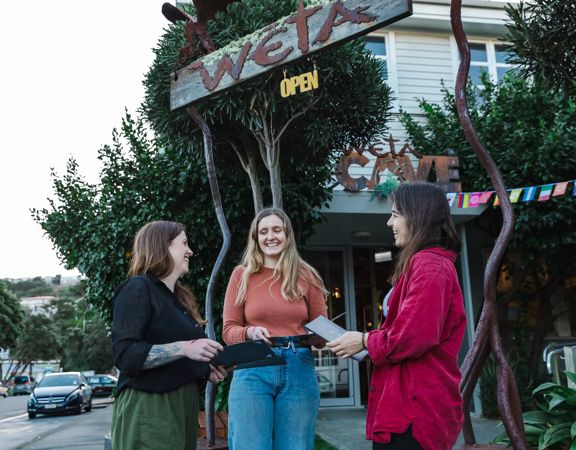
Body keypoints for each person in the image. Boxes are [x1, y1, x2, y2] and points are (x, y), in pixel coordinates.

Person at [327, 182, 466, 450]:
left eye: (395, 214)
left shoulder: (429, 265)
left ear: (417, 215)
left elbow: (412, 337)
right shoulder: (424, 263)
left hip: (415, 409)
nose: (390, 222)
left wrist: (365, 340)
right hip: (405, 405)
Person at [111, 221, 227, 450]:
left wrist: (207, 366)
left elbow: (177, 357)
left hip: (182, 405)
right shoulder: (138, 288)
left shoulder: (177, 300)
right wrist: (185, 348)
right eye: (184, 243)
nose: (190, 251)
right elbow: (125, 355)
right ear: (163, 246)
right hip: (151, 405)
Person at [223, 208, 327, 450]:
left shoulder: (307, 275)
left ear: (287, 234)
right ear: (256, 238)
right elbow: (229, 331)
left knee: (295, 446)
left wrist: (320, 337)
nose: (270, 236)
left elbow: (321, 329)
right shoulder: (242, 275)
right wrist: (249, 333)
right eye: (263, 231)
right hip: (253, 367)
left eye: (276, 230)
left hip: (298, 365)